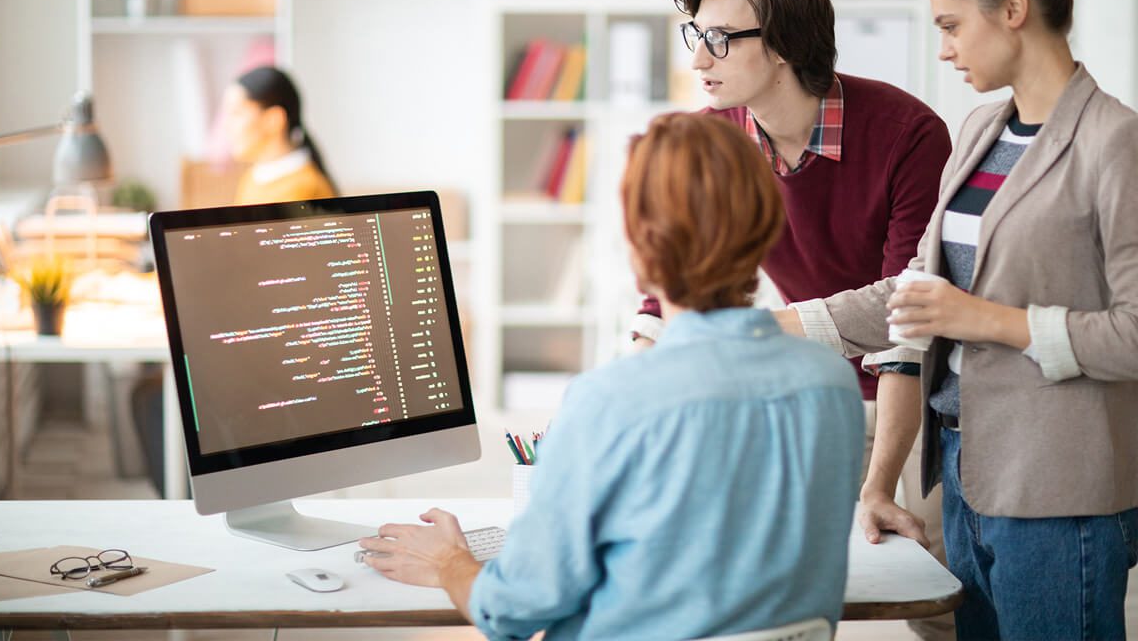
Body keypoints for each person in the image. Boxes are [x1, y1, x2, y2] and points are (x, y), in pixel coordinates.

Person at [778, 0, 1138, 640]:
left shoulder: (1116, 142)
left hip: (1059, 492)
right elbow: (918, 292)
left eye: (950, 25)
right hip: (962, 473)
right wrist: (779, 327)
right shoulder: (978, 131)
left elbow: (1134, 333)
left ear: (1013, 9)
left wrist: (986, 320)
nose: (942, 48)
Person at [361, 112, 865, 640]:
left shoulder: (610, 401)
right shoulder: (832, 383)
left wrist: (449, 562)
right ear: (765, 233)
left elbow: (511, 612)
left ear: (641, 250)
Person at [632, 0, 956, 641]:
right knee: (785, 594)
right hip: (817, 386)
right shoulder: (717, 137)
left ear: (781, 45)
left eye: (721, 39)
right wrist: (634, 370)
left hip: (926, 388)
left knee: (936, 599)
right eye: (697, 36)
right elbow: (675, 278)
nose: (699, 59)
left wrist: (879, 483)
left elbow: (907, 316)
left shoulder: (906, 133)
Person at [221, 66, 337, 204]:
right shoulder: (252, 179)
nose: (226, 125)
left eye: (237, 113)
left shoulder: (304, 189)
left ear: (274, 119)